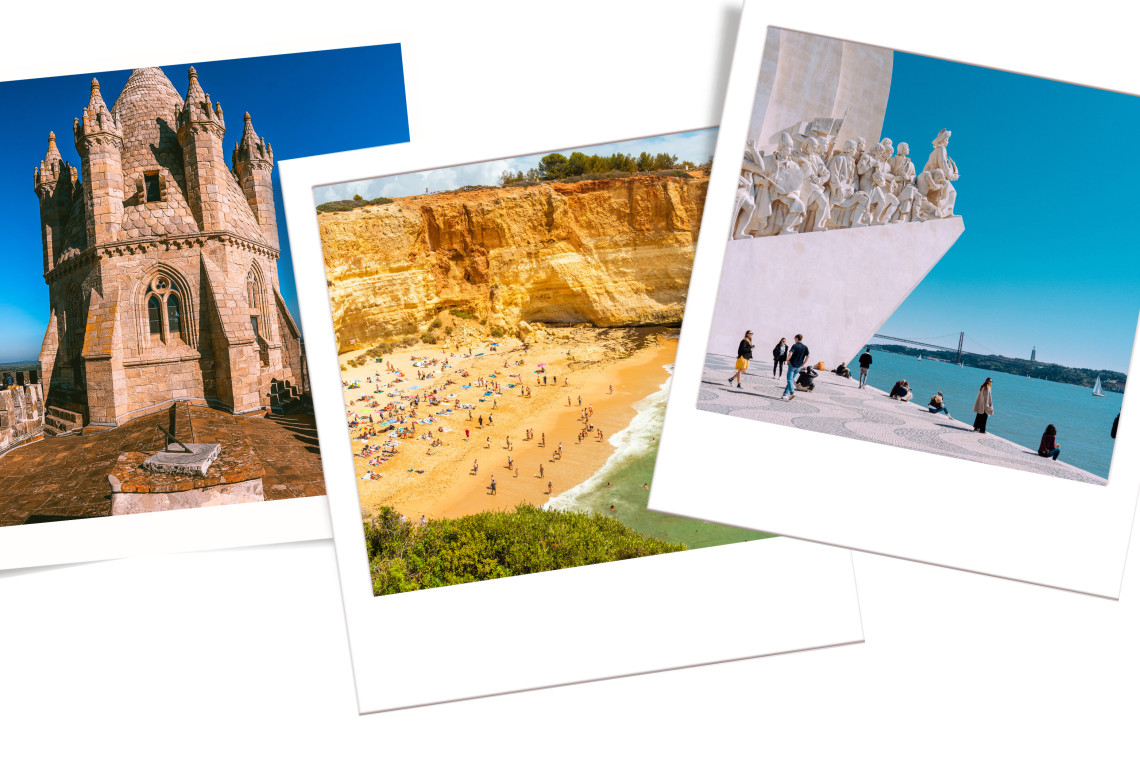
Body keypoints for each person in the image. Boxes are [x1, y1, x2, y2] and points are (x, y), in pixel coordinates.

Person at [783, 334, 810, 401]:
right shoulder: (805, 347)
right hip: (799, 366)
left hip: (792, 364)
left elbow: (790, 353)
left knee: (789, 380)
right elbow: (808, 356)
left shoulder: (795, 345)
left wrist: (787, 360)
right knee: (791, 380)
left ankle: (792, 393)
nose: (794, 340)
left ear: (797, 338)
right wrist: (803, 364)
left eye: (794, 338)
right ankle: (785, 394)